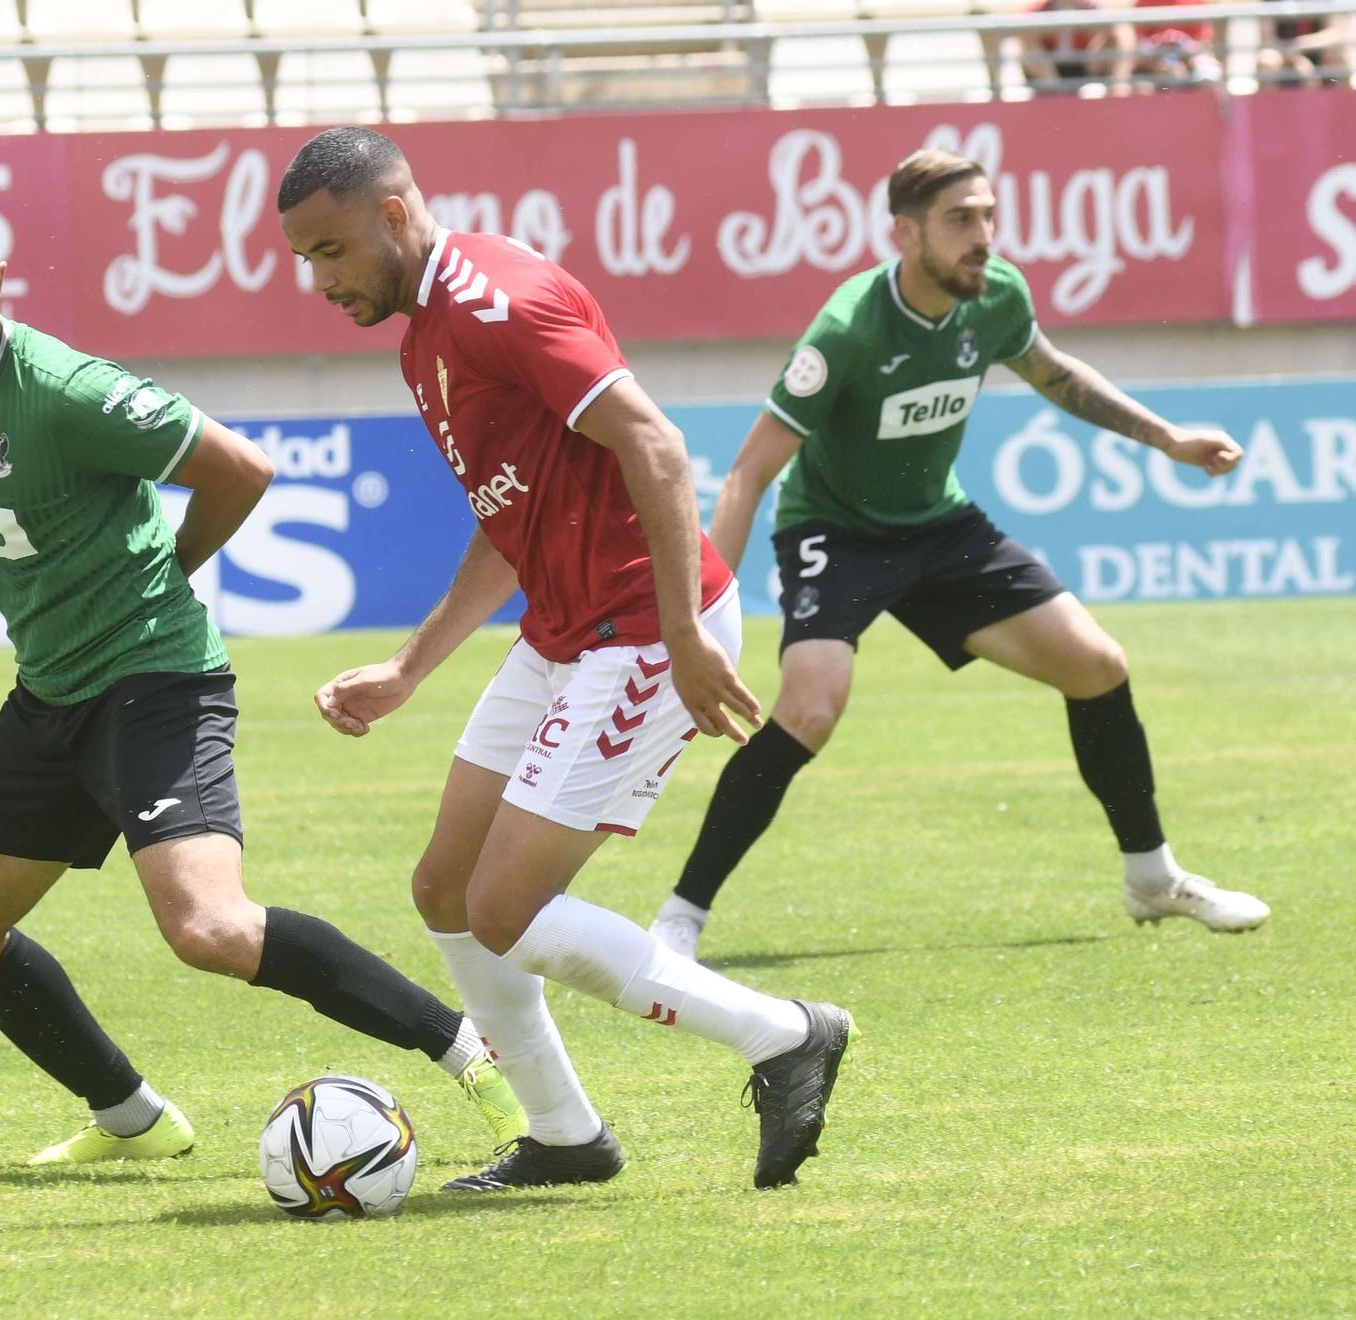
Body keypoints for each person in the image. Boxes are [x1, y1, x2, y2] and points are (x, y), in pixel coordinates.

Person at [0, 168, 525, 1167]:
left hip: (155, 679)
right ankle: (132, 1118)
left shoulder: (65, 392)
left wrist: (166, 570)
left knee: (208, 928)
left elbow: (240, 467)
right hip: (50, 693)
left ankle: (465, 1049)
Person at [278, 127, 855, 1192]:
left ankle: (783, 1035)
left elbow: (655, 443)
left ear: (394, 215)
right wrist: (410, 668)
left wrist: (682, 634)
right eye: (305, 257)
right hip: (564, 630)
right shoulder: (423, 338)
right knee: (445, 886)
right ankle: (562, 1135)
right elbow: (508, 518)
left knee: (504, 907)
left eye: (329, 249)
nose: (318, 279)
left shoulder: (499, 303)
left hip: (640, 625)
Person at [650, 148, 1271, 963]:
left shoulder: (997, 294)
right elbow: (750, 472)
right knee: (810, 709)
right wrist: (702, 620)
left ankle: (1152, 878)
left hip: (940, 529)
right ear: (906, 233)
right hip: (834, 532)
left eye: (987, 214)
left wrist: (1167, 438)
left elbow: (1054, 375)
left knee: (1098, 665)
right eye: (960, 220)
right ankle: (679, 920)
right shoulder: (847, 330)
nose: (984, 235)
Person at [1018, 0, 1133, 95]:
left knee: (1118, 34)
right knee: (1027, 41)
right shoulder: (1040, 9)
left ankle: (1118, 88)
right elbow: (1021, 33)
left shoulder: (1089, 7)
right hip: (1050, 69)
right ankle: (1056, 92)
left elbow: (1119, 30)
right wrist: (1050, 28)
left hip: (1081, 64)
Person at [1128, 0, 1222, 87]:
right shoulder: (1143, 2)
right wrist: (1158, 66)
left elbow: (1201, 41)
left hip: (1188, 61)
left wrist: (1185, 63)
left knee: (1209, 74)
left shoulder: (1196, 2)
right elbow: (1140, 45)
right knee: (1141, 86)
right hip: (1154, 63)